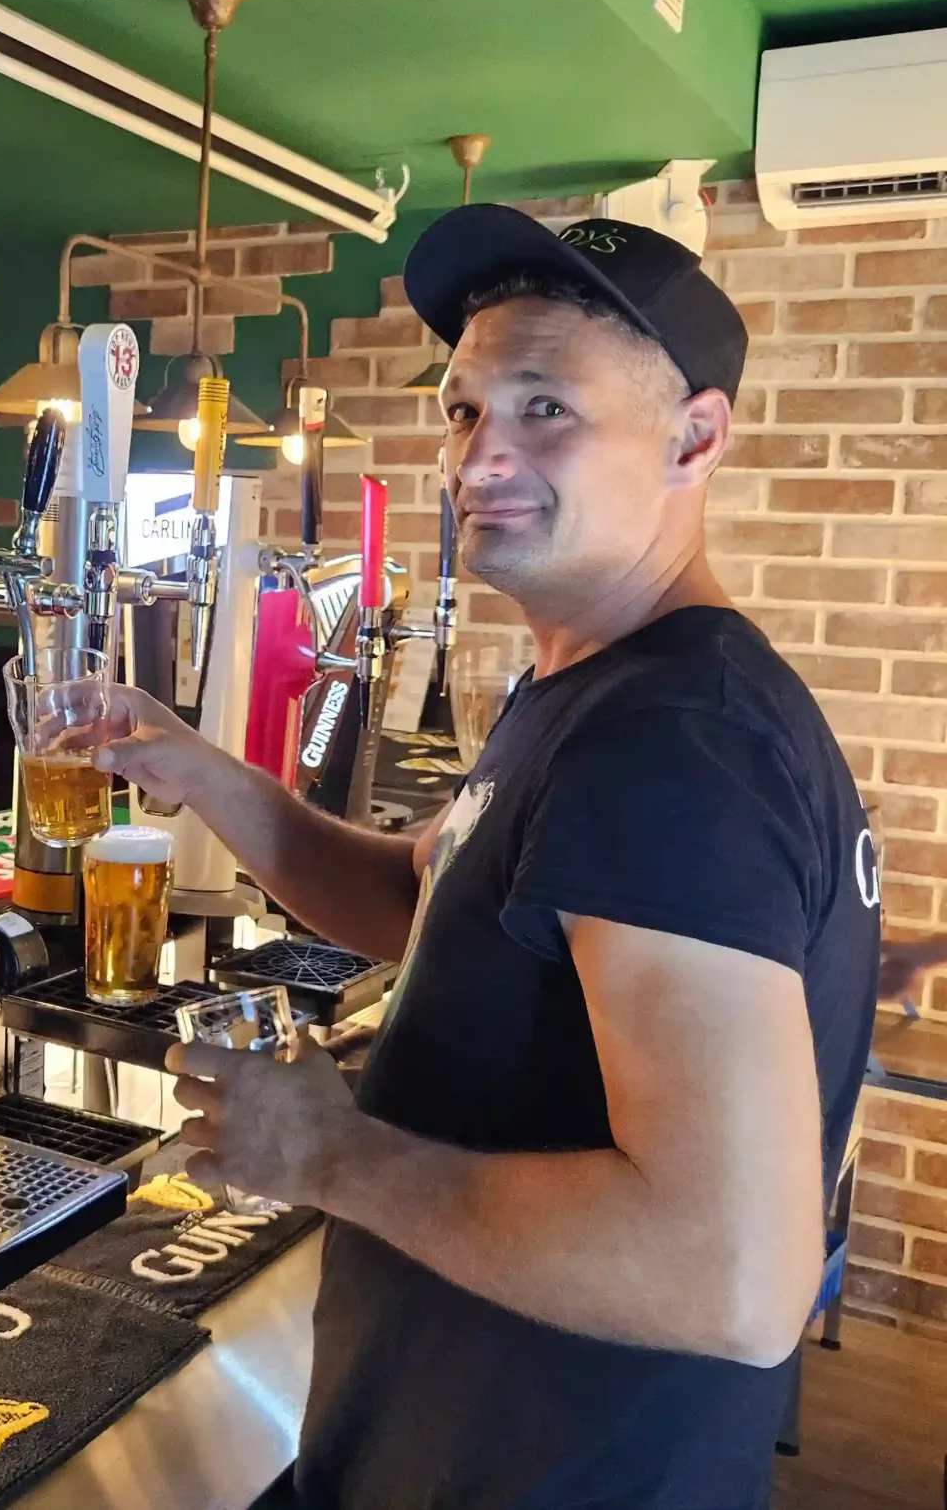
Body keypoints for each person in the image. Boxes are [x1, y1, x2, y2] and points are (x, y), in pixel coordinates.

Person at [93, 207, 880, 1510]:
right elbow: (435, 900)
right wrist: (200, 772)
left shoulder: (675, 740)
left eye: (545, 409)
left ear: (695, 438)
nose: (481, 456)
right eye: (464, 411)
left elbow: (731, 1279)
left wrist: (332, 1156)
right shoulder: (598, 689)